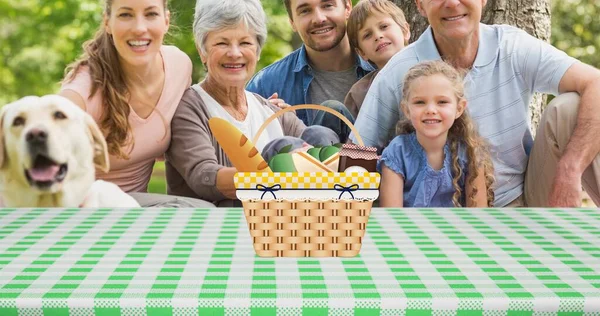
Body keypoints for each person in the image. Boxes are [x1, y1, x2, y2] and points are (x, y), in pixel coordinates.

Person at [350, 0, 600, 207]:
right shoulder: (400, 69)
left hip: (522, 196)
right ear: (420, 6)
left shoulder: (512, 46)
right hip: (438, 213)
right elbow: (357, 152)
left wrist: (570, 170)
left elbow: (595, 83)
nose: (452, 3)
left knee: (570, 108)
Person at [165, 0, 336, 207]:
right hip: (225, 223)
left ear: (257, 51)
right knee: (281, 148)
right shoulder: (190, 106)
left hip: (288, 221)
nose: (235, 53)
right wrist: (272, 180)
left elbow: (315, 143)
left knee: (322, 131)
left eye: (245, 43)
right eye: (222, 43)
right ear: (203, 52)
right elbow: (203, 176)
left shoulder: (268, 108)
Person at [60, 0, 215, 207]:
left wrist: (261, 107)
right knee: (198, 211)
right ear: (107, 22)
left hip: (134, 208)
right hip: (82, 207)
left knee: (205, 212)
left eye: (150, 14)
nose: (140, 28)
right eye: (126, 15)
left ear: (166, 20)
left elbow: (193, 121)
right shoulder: (82, 92)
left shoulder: (179, 66)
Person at [246, 0, 374, 142]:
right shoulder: (265, 86)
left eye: (327, 5)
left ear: (347, 7)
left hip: (372, 162)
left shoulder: (385, 69)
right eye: (305, 11)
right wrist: (270, 124)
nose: (319, 19)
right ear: (292, 22)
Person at [378, 61, 494, 207]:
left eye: (442, 102)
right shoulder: (397, 153)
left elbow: (478, 217)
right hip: (407, 229)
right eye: (420, 102)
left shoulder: (470, 152)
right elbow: (392, 217)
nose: (431, 110)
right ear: (406, 110)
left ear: (459, 108)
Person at [344, 0, 410, 118]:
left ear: (405, 31)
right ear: (361, 52)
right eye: (367, 35)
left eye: (384, 26)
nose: (378, 36)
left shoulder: (433, 71)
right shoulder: (359, 93)